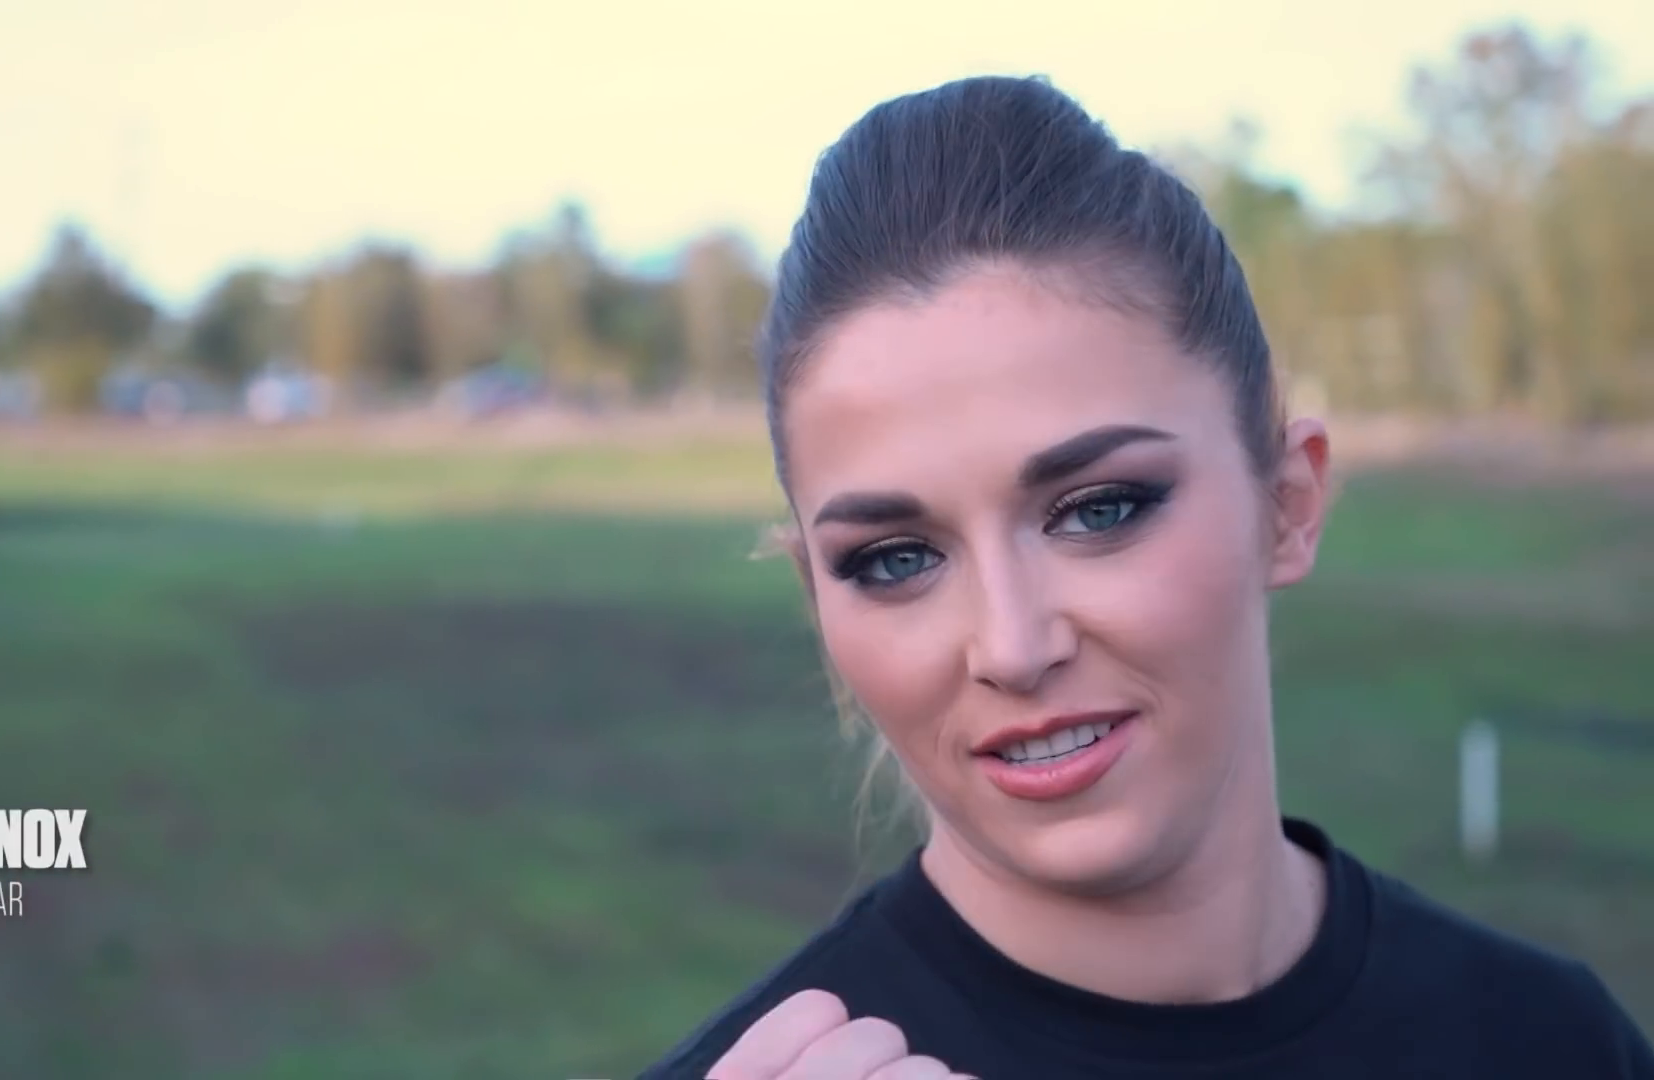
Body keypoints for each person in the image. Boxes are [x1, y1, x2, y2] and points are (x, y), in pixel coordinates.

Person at [636, 74, 1654, 1080]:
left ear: (1287, 503)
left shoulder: (1553, 1042)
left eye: (1098, 509)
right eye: (896, 560)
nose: (1014, 647)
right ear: (818, 600)